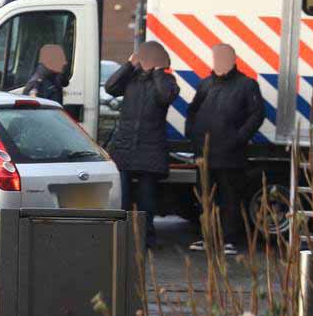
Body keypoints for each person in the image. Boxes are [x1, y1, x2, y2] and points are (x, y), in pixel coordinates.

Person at [185, 43, 264, 255]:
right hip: (205, 154)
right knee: (205, 199)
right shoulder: (206, 84)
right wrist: (191, 134)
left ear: (233, 59)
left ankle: (228, 240)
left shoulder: (247, 85)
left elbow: (257, 114)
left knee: (230, 199)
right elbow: (192, 111)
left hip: (231, 155)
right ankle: (206, 237)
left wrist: (239, 138)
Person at [104, 41, 179, 249]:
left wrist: (157, 71)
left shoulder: (167, 80)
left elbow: (165, 96)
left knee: (147, 201)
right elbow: (110, 87)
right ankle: (122, 237)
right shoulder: (131, 78)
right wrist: (129, 65)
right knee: (122, 199)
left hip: (150, 150)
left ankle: (146, 239)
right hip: (125, 148)